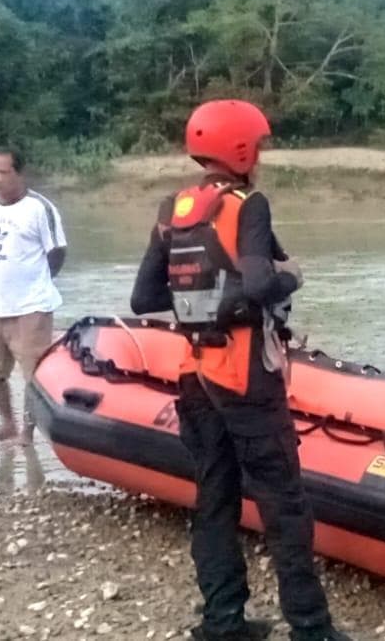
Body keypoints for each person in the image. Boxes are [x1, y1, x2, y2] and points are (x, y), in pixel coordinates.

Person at [130, 100, 351, 641]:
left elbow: (144, 298)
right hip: (246, 378)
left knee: (215, 497)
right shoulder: (249, 205)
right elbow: (257, 285)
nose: (264, 156)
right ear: (242, 148)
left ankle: (222, 621)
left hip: (195, 376)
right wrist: (290, 278)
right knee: (285, 504)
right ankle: (310, 628)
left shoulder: (172, 208)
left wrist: (205, 300)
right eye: (261, 145)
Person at [0, 147, 67, 442]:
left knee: (34, 375)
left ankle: (28, 430)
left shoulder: (40, 208)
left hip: (32, 306)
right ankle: (7, 423)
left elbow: (58, 251)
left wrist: (40, 282)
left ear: (19, 173)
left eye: (4, 172)